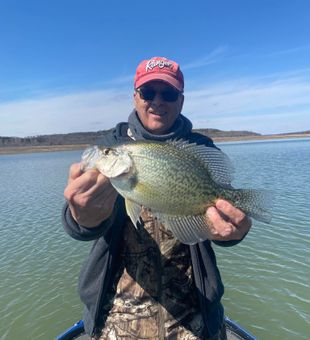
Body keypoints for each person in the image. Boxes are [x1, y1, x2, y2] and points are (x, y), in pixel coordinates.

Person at [62, 56, 252, 340]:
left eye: (169, 93)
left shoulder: (199, 148)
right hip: (116, 316)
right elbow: (75, 222)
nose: (158, 101)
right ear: (135, 97)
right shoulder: (111, 147)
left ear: (181, 100)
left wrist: (232, 233)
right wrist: (81, 217)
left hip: (193, 316)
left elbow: (215, 225)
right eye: (148, 92)